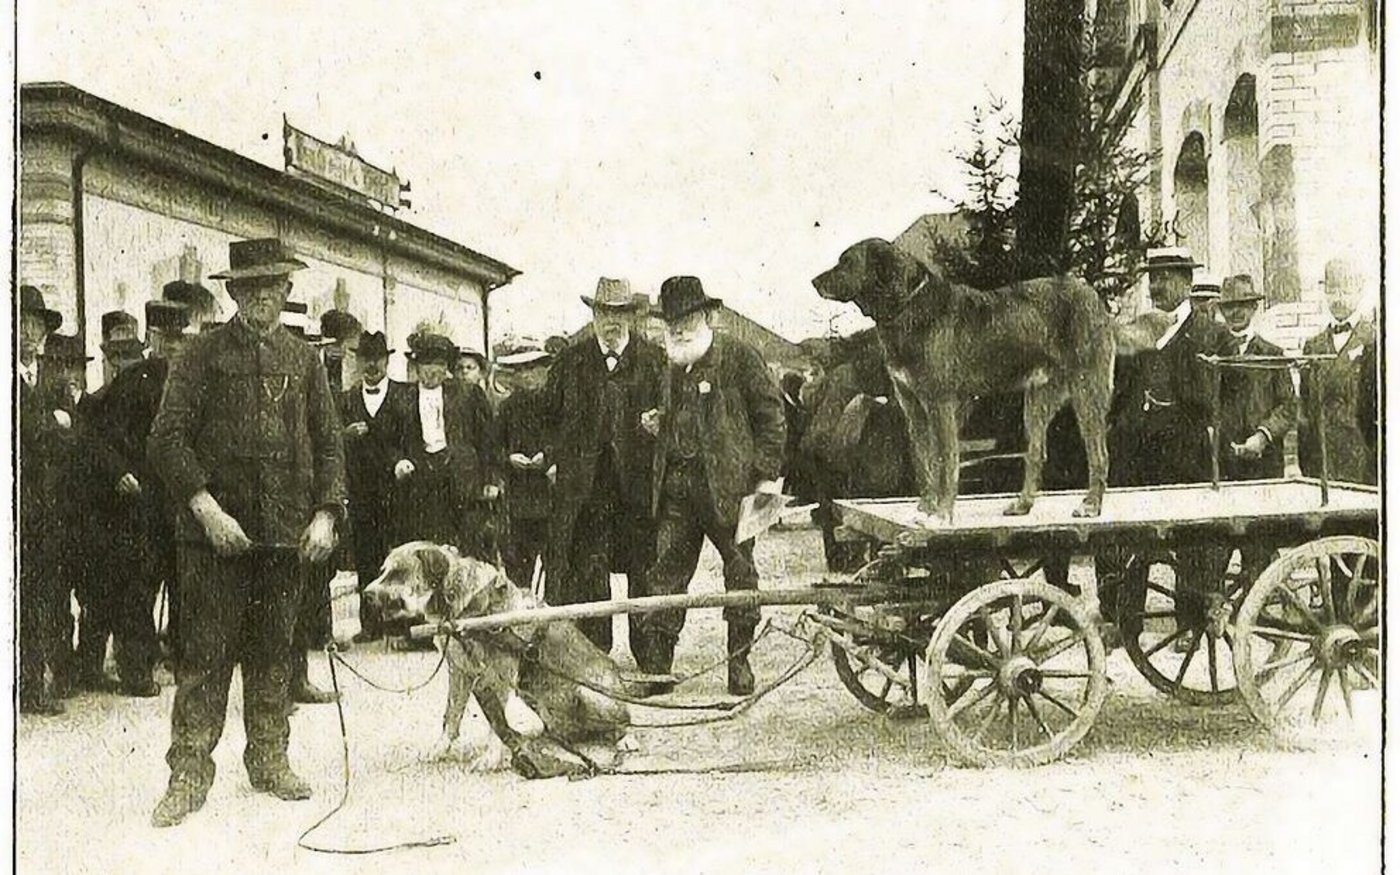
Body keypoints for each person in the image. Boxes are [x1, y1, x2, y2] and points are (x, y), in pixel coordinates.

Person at [148, 238, 346, 828]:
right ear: (234, 292)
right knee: (205, 661)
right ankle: (187, 775)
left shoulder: (305, 360)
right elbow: (166, 439)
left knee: (274, 654)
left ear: (287, 292)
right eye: (252, 286)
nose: (264, 296)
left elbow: (330, 443)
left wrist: (326, 514)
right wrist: (205, 508)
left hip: (284, 539)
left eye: (274, 286)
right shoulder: (201, 355)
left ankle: (270, 759)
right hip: (215, 542)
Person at [641, 276, 786, 695]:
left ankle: (738, 665)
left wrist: (765, 479)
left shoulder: (740, 356)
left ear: (706, 316)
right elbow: (678, 418)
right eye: (672, 320)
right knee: (665, 575)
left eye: (687, 317)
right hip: (677, 488)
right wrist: (658, 424)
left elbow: (772, 419)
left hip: (732, 489)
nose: (679, 327)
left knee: (741, 573)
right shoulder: (668, 361)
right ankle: (658, 669)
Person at [540, 277, 665, 655]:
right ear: (594, 314)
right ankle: (597, 654)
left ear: (631, 316)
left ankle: (652, 657)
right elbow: (547, 418)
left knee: (645, 568)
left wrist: (660, 422)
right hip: (586, 489)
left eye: (620, 312)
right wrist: (552, 459)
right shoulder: (570, 361)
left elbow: (674, 414)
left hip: (638, 488)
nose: (612, 320)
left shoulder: (653, 360)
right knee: (590, 570)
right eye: (605, 312)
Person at [80, 296, 194, 697]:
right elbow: (103, 438)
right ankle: (137, 668)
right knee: (139, 587)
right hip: (143, 500)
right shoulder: (133, 382)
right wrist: (121, 473)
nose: (174, 346)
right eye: (166, 338)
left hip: (182, 500)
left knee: (184, 582)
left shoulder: (194, 381)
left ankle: (182, 659)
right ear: (152, 338)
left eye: (180, 338)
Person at [391, 331, 495, 555]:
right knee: (426, 550)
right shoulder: (401, 397)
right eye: (426, 363)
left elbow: (488, 440)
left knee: (466, 549)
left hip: (462, 481)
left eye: (439, 364)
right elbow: (391, 439)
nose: (432, 371)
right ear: (416, 366)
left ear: (447, 367)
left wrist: (490, 479)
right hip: (421, 481)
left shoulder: (468, 394)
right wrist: (399, 461)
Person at [339, 330, 410, 641]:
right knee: (366, 558)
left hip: (397, 492)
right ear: (357, 361)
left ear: (387, 361)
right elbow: (331, 442)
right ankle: (370, 624)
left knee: (397, 558)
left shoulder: (404, 396)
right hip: (361, 493)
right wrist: (346, 435)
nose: (372, 365)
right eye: (365, 359)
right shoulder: (346, 400)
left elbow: (412, 440)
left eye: (377, 359)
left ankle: (397, 623)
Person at [18, 285, 67, 715]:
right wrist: (52, 423)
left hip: (47, 508)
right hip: (16, 508)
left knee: (42, 598)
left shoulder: (49, 378)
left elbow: (71, 436)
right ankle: (24, 685)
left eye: (36, 324)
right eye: (22, 322)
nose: (30, 332)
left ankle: (36, 683)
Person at [1299, 257, 1377, 485]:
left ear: (1360, 289)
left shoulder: (1375, 339)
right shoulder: (1312, 346)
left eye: (1346, 288)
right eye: (1332, 289)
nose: (1339, 298)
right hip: (1320, 462)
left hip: (1362, 461)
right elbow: (1305, 406)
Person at [1215, 275, 1296, 482]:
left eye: (1243, 305)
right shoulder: (1211, 354)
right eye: (1229, 307)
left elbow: (1288, 405)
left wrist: (1263, 435)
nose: (1236, 312)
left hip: (1266, 463)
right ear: (1222, 311)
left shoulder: (1273, 355)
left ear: (1253, 307)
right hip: (1223, 464)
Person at [494, 340, 555, 589]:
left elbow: (569, 441)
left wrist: (548, 456)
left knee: (555, 568)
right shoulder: (507, 408)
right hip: (519, 502)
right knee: (518, 571)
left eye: (532, 368)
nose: (527, 375)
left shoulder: (556, 404)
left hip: (552, 499)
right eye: (520, 370)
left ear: (544, 370)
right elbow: (493, 447)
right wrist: (509, 458)